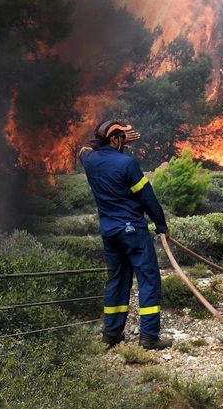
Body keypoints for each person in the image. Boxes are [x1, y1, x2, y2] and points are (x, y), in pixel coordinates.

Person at [78, 119, 173, 350]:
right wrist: (161, 224)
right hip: (132, 231)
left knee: (118, 279)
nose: (125, 143)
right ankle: (149, 336)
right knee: (148, 278)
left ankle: (111, 334)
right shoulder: (127, 163)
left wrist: (108, 136)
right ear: (115, 139)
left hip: (109, 232)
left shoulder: (89, 159)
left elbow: (86, 146)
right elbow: (147, 197)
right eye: (122, 139)